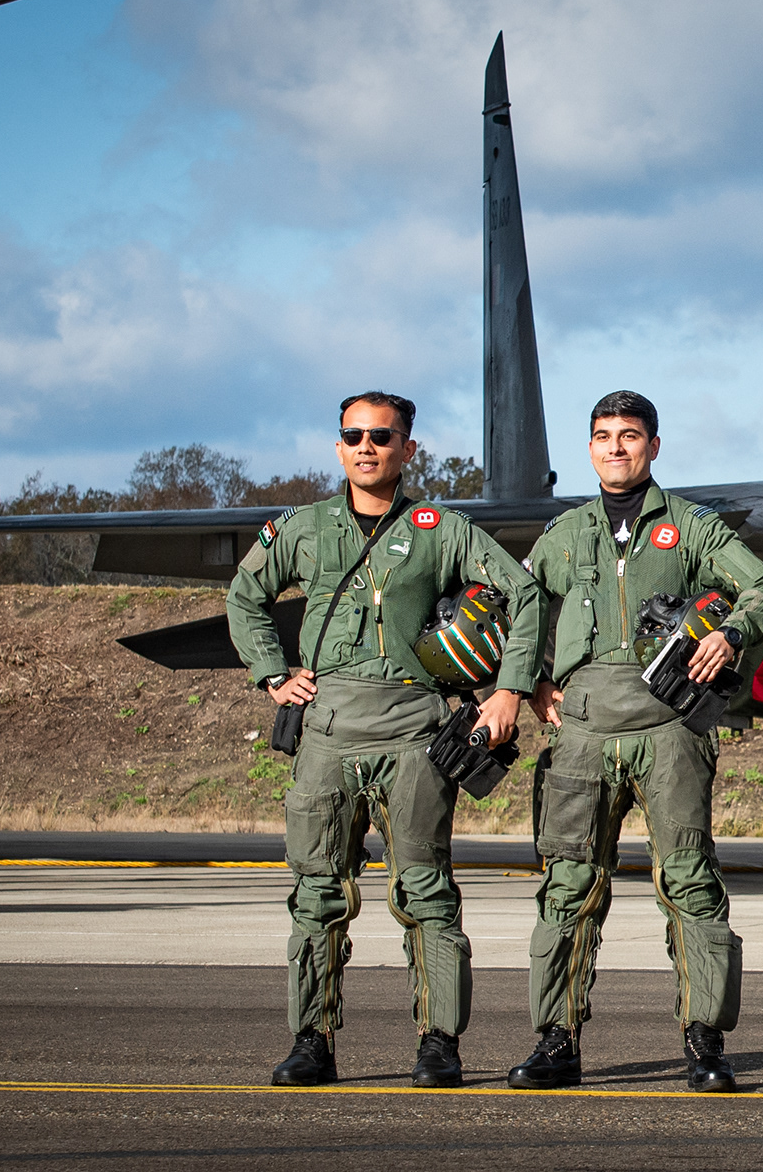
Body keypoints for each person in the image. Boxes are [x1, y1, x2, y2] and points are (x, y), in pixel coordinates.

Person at [228, 391, 545, 1089]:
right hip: (329, 730)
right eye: (354, 434)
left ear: (408, 449)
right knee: (317, 892)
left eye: (382, 435)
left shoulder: (442, 530)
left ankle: (439, 1044)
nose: (367, 445)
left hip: (415, 730)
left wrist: (507, 690)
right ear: (338, 447)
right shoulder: (304, 529)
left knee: (426, 889)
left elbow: (523, 595)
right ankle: (310, 1041)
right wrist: (271, 674)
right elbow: (244, 596)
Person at [508, 391, 763, 1093]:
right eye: (603, 436)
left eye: (629, 436)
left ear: (654, 446)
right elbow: (520, 610)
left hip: (671, 725)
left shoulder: (692, 527)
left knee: (691, 883)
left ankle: (704, 1041)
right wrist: (532, 682)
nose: (615, 447)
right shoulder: (565, 533)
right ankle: (556, 1040)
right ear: (591, 446)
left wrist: (729, 635)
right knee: (568, 883)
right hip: (582, 727)